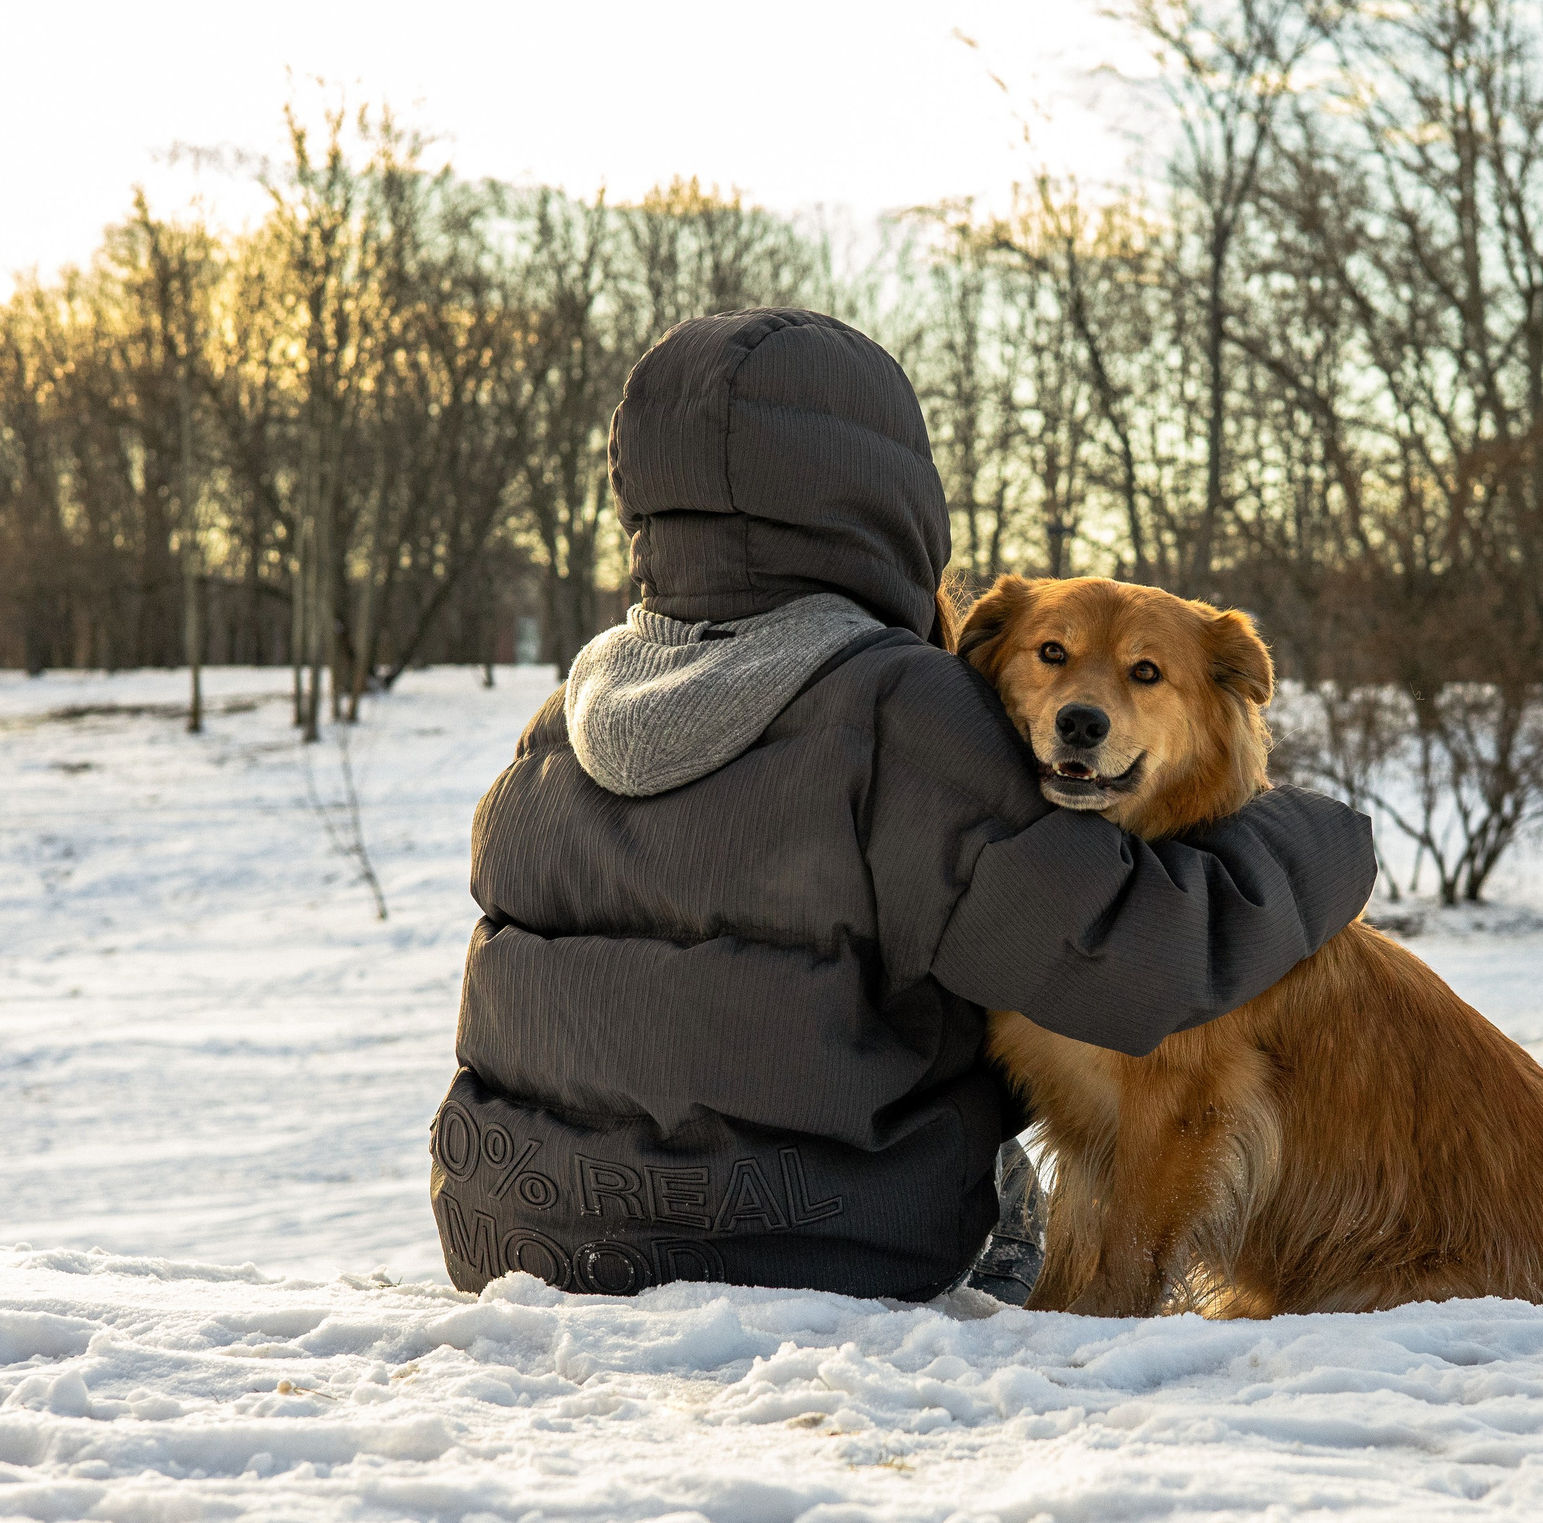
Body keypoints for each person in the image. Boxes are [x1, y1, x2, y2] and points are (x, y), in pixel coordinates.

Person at [430, 307, 1375, 1305]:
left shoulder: (561, 721)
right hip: (805, 1250)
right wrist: (1321, 838)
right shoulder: (895, 708)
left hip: (513, 1238)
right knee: (1011, 1187)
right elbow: (1134, 962)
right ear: (889, 496)